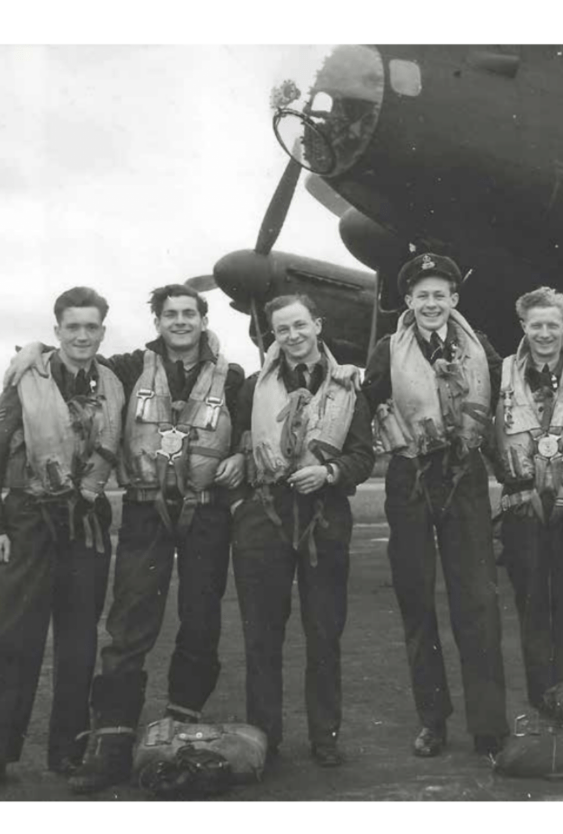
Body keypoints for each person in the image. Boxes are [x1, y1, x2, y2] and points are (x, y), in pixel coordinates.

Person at [4, 284, 245, 793]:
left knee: (201, 622)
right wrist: (33, 352)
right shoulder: (130, 368)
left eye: (189, 313)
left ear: (203, 320)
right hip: (144, 511)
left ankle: (180, 729)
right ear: (156, 322)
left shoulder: (235, 376)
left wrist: (240, 456)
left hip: (206, 515)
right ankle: (111, 743)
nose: (179, 321)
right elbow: (73, 359)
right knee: (130, 622)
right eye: (169, 314)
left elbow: (243, 434)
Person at [0, 287, 124, 795]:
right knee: (11, 642)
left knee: (78, 644)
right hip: (28, 518)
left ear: (102, 331)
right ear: (56, 332)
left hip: (86, 524)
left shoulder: (117, 380)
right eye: (71, 327)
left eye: (90, 327)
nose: (81, 335)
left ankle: (68, 752)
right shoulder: (24, 377)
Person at [362, 252, 509, 758]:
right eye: (421, 295)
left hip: (464, 477)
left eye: (439, 294)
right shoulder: (387, 350)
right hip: (410, 482)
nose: (431, 303)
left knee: (478, 603)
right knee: (417, 603)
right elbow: (365, 405)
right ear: (408, 301)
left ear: (454, 299)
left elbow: (503, 402)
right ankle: (433, 721)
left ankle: (488, 726)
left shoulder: (479, 347)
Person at [230, 294, 374, 767]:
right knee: (262, 635)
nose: (292, 336)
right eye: (282, 330)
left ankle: (324, 737)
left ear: (317, 325)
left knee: (324, 631)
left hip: (325, 516)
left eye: (300, 326)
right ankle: (264, 737)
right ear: (273, 336)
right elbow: (238, 446)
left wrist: (330, 473)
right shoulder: (253, 388)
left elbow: (362, 455)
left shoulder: (349, 386)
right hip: (264, 517)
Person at [493, 287, 563, 711]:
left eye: (553, 325)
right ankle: (542, 701)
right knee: (531, 606)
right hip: (522, 508)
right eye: (536, 325)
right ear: (523, 327)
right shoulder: (502, 375)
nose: (545, 333)